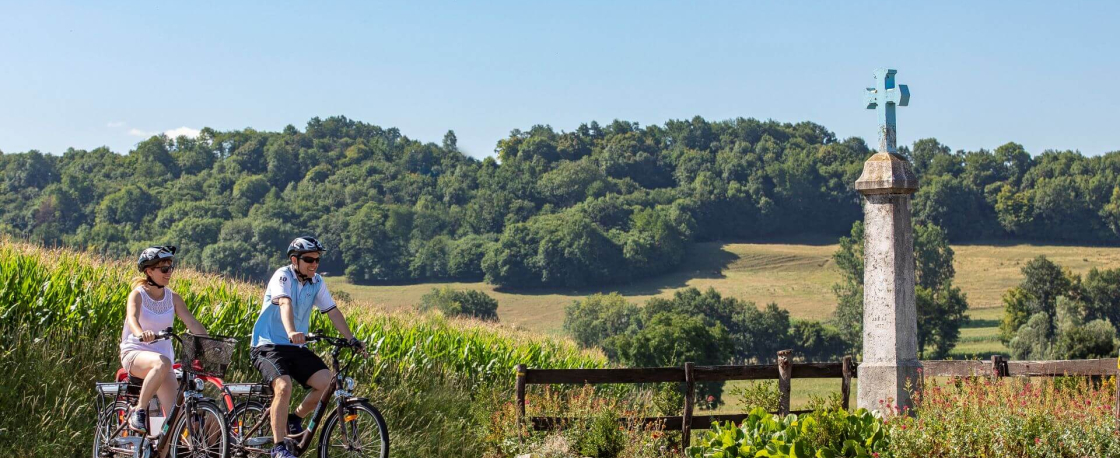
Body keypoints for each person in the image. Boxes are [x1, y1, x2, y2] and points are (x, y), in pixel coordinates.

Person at [250, 236, 365, 458]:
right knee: (283, 387)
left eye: (317, 260)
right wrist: (292, 331)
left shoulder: (317, 282)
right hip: (268, 345)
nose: (314, 264)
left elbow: (332, 311)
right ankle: (278, 448)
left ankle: (295, 418)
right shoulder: (282, 276)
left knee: (327, 383)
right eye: (309, 259)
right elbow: (285, 303)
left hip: (295, 348)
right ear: (295, 259)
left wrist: (352, 339)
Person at [120, 245, 209, 433]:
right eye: (164, 269)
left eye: (170, 268)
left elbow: (192, 323)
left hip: (163, 362)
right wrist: (140, 334)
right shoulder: (138, 294)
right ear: (149, 271)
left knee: (175, 422)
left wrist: (209, 343)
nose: (169, 273)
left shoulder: (173, 298)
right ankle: (139, 411)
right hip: (135, 352)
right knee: (161, 363)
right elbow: (133, 318)